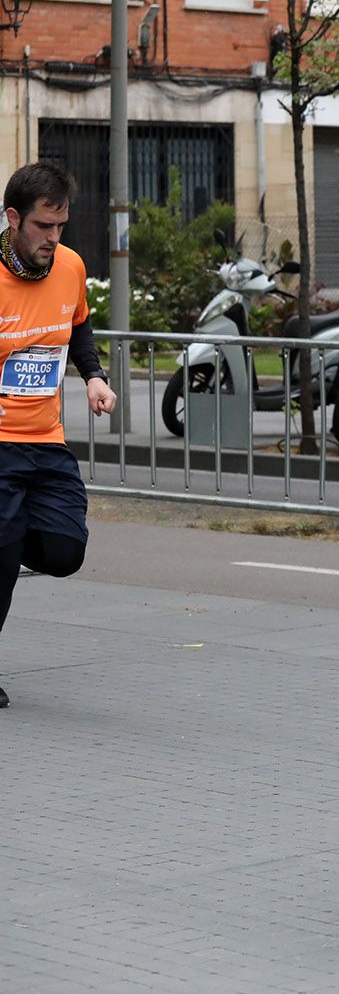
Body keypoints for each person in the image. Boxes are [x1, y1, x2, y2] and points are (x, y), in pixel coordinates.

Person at [0, 162, 117, 709]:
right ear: (13, 219)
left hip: (46, 439)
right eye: (44, 227)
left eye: (61, 227)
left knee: (67, 548)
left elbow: (78, 325)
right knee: (3, 553)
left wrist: (94, 375)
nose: (53, 238)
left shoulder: (69, 266)